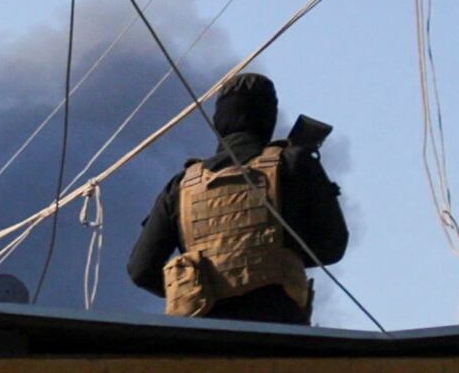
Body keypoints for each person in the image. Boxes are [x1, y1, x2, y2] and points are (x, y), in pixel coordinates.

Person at [120, 74, 347, 324]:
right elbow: (332, 246)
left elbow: (141, 270)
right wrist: (278, 256)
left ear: (219, 120)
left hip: (203, 335)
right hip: (280, 330)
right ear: (269, 118)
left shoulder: (182, 186)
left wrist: (194, 288)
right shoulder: (293, 164)